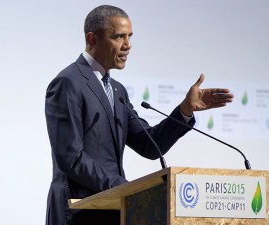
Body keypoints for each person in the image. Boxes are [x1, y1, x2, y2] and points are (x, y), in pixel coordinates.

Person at [44, 5, 233, 225]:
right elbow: (70, 157)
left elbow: (150, 145)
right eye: (119, 37)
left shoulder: (117, 90)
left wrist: (185, 110)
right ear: (92, 39)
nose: (128, 45)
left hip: (113, 211)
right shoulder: (69, 83)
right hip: (77, 211)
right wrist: (124, 189)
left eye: (130, 37)